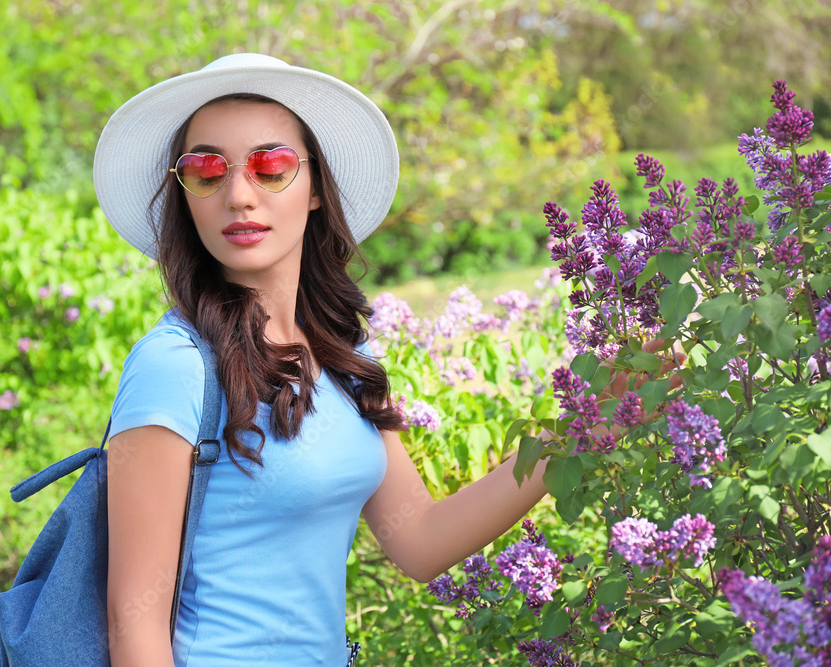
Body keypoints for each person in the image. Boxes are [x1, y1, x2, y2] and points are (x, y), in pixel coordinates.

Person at [93, 53, 664, 667]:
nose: (238, 194)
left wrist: (576, 436)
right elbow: (134, 624)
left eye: (271, 166)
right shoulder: (174, 366)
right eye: (206, 170)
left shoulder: (342, 354)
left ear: (315, 189)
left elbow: (418, 539)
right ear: (186, 195)